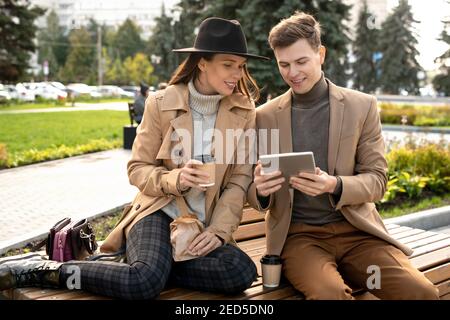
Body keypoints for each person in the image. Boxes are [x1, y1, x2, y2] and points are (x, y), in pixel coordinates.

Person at [0, 17, 269, 300]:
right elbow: (137, 169)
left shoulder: (244, 111)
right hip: (158, 211)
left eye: (240, 66)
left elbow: (239, 181)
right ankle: (46, 271)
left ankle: (154, 265)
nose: (237, 74)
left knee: (240, 271)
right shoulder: (160, 103)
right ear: (202, 62)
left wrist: (217, 232)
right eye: (228, 64)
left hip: (202, 224)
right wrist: (175, 179)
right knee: (143, 283)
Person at [247, 12, 439, 300]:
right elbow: (252, 192)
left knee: (418, 293)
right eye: (283, 65)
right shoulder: (264, 117)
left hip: (358, 237)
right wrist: (260, 190)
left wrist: (334, 185)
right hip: (301, 239)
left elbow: (377, 181)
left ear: (320, 54)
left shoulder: (361, 107)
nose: (292, 73)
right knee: (330, 294)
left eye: (301, 62)